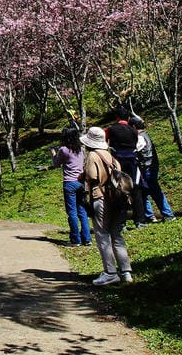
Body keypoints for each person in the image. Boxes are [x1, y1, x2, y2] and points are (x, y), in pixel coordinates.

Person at [81, 126, 133, 286]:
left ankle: (110, 272)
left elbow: (92, 176)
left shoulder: (92, 156)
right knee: (117, 234)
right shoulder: (112, 157)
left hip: (100, 197)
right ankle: (126, 271)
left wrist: (82, 177)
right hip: (117, 199)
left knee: (102, 234)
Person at [49, 127, 91, 247]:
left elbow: (56, 164)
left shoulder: (63, 149)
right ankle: (87, 238)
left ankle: (75, 239)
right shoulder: (81, 149)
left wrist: (53, 154)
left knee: (72, 212)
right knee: (82, 211)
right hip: (80, 183)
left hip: (69, 183)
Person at [106, 106, 147, 226]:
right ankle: (140, 220)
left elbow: (104, 142)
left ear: (117, 117)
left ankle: (121, 222)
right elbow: (139, 145)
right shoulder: (133, 130)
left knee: (119, 190)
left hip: (118, 162)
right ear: (128, 118)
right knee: (136, 189)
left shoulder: (110, 129)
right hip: (133, 162)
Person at [133, 117, 175, 222]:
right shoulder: (145, 135)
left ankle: (167, 214)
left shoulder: (140, 138)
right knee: (144, 192)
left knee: (154, 191)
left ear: (133, 126)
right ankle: (149, 215)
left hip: (146, 168)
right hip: (150, 167)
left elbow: (135, 150)